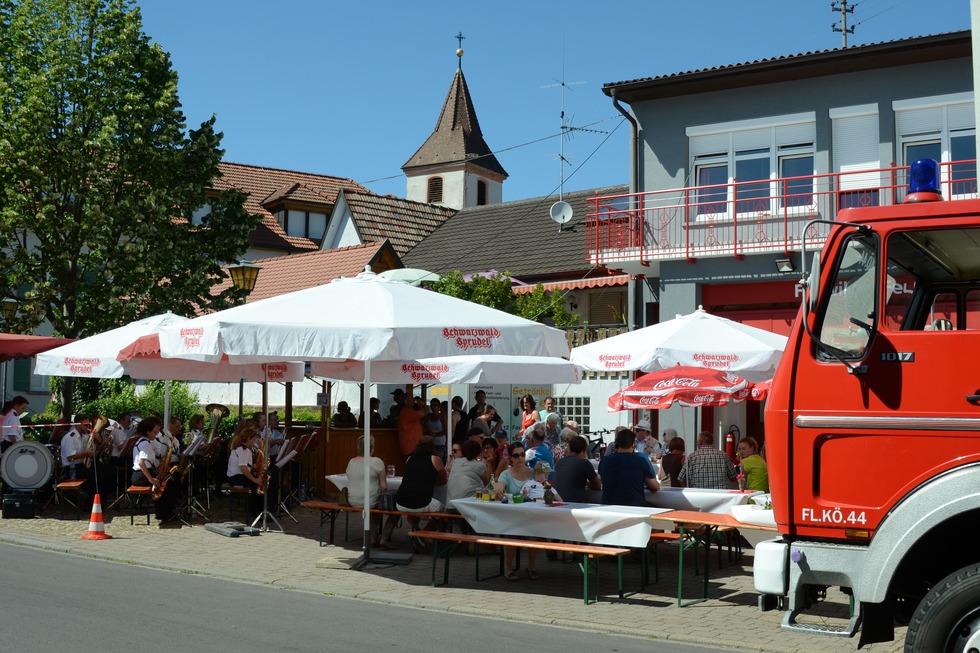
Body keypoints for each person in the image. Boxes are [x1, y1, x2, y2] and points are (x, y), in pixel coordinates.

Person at [381, 435, 446, 551]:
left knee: (409, 508)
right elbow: (443, 481)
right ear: (432, 447)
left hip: (401, 502)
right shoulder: (436, 459)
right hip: (422, 502)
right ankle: (422, 534)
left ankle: (415, 529)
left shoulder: (409, 459)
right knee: (445, 512)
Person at [491, 443, 538, 581]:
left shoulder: (532, 473)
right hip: (511, 517)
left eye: (522, 454)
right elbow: (499, 488)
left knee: (535, 533)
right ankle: (508, 568)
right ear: (511, 458)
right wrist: (499, 490)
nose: (520, 458)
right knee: (511, 534)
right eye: (516, 455)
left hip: (530, 515)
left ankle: (532, 567)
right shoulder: (506, 474)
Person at [130, 417, 180, 521]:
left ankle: (163, 512)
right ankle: (165, 513)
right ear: (147, 432)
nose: (156, 434)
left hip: (139, 474)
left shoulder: (142, 441)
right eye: (154, 432)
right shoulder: (146, 443)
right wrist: (151, 479)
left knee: (167, 481)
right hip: (141, 476)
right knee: (168, 484)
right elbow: (141, 462)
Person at [598, 428, 660, 506]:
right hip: (634, 506)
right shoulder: (640, 461)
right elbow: (654, 487)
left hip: (608, 506)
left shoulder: (605, 461)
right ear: (633, 444)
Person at [345, 435, 388, 533]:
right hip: (370, 501)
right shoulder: (377, 461)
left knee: (373, 500)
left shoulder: (351, 462)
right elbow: (384, 487)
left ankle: (374, 536)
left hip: (352, 500)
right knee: (391, 507)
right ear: (372, 448)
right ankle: (383, 536)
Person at [225, 426, 264, 519]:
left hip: (233, 477)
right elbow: (243, 467)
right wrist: (254, 479)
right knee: (260, 484)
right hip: (236, 478)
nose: (254, 442)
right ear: (248, 439)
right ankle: (259, 511)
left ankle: (253, 509)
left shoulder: (239, 447)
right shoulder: (244, 450)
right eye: (253, 440)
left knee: (257, 482)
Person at [553, 434, 601, 503]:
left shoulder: (559, 462)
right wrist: (587, 483)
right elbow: (597, 486)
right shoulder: (584, 463)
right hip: (575, 503)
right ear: (584, 450)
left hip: (557, 501)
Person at [446, 439, 488, 504]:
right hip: (467, 506)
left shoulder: (455, 462)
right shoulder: (480, 465)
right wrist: (486, 463)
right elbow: (487, 482)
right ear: (478, 452)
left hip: (450, 505)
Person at [396, 390, 425, 457]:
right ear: (406, 401)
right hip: (411, 446)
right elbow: (422, 414)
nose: (414, 400)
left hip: (411, 446)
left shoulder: (407, 411)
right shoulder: (407, 412)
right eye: (412, 399)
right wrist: (420, 405)